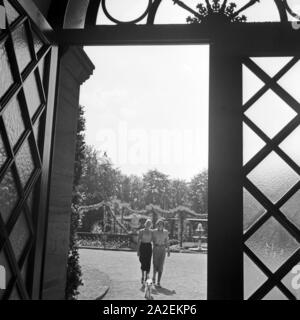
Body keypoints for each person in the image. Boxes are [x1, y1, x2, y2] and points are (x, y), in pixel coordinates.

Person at [152, 219, 170, 287]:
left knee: (161, 265)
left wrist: (168, 250)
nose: (160, 225)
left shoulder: (166, 232)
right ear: (157, 225)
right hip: (156, 249)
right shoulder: (154, 231)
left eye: (161, 224)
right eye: (159, 224)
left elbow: (167, 241)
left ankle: (158, 281)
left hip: (162, 249)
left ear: (163, 225)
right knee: (155, 263)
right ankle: (153, 277)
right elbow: (151, 239)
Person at [137, 219, 153, 285]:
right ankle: (142, 276)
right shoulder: (141, 231)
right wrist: (138, 251)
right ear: (145, 224)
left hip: (149, 247)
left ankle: (147, 276)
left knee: (148, 262)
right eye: (147, 223)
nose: (148, 225)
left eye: (149, 224)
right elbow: (138, 241)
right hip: (143, 247)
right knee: (142, 261)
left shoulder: (152, 232)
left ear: (151, 225)